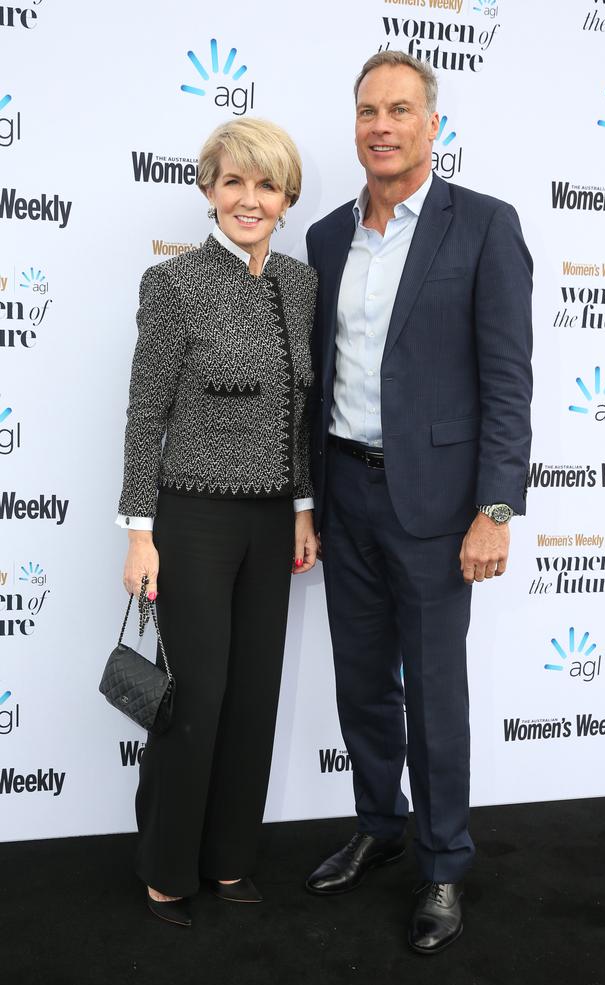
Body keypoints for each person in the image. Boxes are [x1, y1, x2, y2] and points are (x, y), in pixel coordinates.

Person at [305, 51, 533, 954]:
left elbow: (508, 383)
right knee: (360, 682)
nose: (382, 126)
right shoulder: (325, 236)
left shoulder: (482, 226)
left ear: (432, 124)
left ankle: (443, 864)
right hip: (345, 493)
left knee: (435, 694)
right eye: (368, 110)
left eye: (400, 109)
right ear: (355, 123)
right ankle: (380, 822)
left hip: (439, 507)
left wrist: (497, 508)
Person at [116, 117, 318, 927]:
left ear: (286, 197)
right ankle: (166, 868)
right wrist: (140, 530)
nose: (249, 198)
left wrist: (303, 509)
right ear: (207, 191)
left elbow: (300, 411)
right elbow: (144, 411)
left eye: (266, 184)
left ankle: (230, 859)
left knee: (253, 698)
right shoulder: (173, 286)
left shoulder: (301, 284)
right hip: (191, 521)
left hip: (273, 526)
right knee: (192, 699)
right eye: (233, 181)